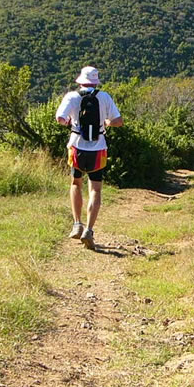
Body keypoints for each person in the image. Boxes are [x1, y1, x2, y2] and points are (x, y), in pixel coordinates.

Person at [55, 66, 123, 250]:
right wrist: (107, 122)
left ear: (80, 81)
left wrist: (69, 122)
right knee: (96, 190)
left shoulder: (72, 96)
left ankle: (77, 223)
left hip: (76, 146)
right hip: (98, 148)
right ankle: (89, 230)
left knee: (76, 183)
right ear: (96, 81)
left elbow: (60, 118)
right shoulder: (104, 97)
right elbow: (118, 121)